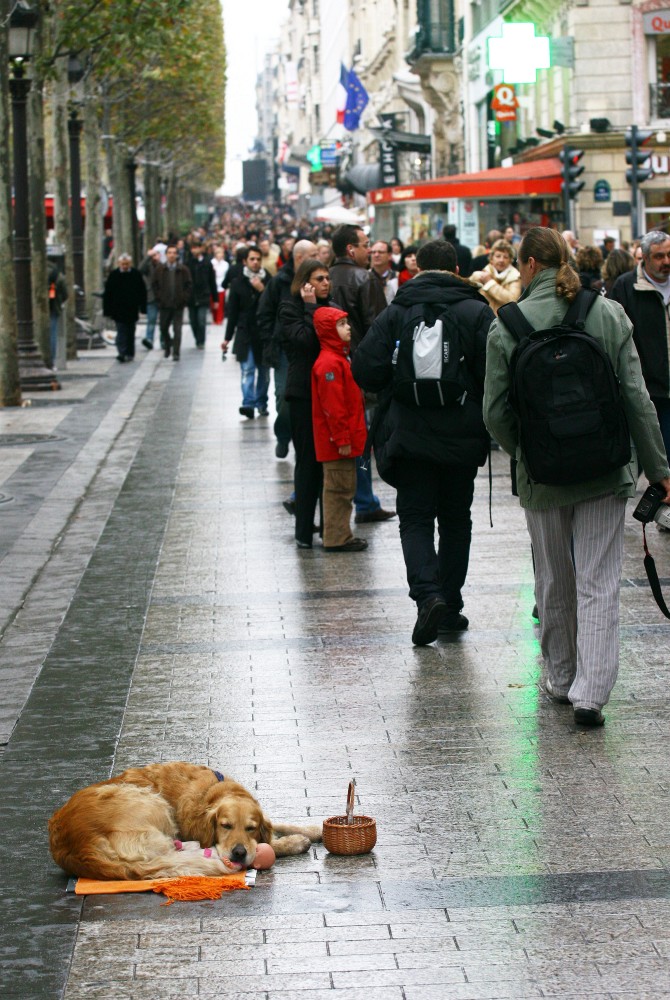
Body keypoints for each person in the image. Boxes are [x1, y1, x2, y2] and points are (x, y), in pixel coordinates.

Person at [484, 227, 670, 727]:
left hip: (542, 478)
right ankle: (592, 694)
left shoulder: (507, 325)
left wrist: (527, 452)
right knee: (598, 580)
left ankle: (562, 677)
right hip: (604, 470)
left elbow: (494, 412)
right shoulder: (606, 313)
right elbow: (637, 398)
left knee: (553, 578)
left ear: (528, 265)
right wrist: (658, 469)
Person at [352, 239, 493, 645]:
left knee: (415, 519)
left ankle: (428, 597)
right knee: (455, 519)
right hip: (461, 434)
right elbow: (495, 372)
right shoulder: (475, 310)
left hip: (409, 435)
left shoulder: (398, 309)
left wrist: (395, 386)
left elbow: (365, 367)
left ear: (417, 268)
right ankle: (451, 603)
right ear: (457, 269)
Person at [329, 224, 395, 525]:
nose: (369, 250)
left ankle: (358, 499)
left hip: (332, 367)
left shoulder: (324, 276)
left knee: (339, 434)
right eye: (365, 244)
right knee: (361, 435)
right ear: (350, 248)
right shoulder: (364, 278)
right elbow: (377, 327)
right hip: (358, 367)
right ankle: (366, 501)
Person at [279, 258, 338, 547]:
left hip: (330, 391)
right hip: (303, 392)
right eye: (319, 279)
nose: (325, 283)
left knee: (329, 461)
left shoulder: (333, 306)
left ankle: (331, 529)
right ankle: (303, 531)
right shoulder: (290, 308)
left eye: (327, 278)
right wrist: (311, 308)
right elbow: (304, 341)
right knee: (307, 461)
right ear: (305, 284)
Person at [610, 230, 670, 463]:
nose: (666, 261)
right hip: (645, 389)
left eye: (669, 255)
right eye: (659, 256)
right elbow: (616, 337)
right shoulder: (626, 286)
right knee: (641, 460)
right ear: (644, 257)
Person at [312, 307, 368, 553]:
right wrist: (342, 438)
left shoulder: (338, 358)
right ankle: (337, 537)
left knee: (344, 487)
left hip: (342, 439)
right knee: (339, 490)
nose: (348, 328)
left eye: (347, 322)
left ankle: (340, 534)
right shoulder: (330, 364)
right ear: (328, 330)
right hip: (336, 442)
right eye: (341, 324)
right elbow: (333, 408)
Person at [257, 240, 319, 457]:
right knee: (284, 395)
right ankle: (283, 435)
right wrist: (271, 340)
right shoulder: (279, 282)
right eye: (313, 254)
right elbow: (264, 313)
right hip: (284, 350)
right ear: (300, 258)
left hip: (310, 347)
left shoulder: (317, 279)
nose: (318, 258)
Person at [223, 246, 269, 419]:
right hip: (245, 333)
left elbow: (273, 305)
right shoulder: (238, 282)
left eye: (258, 259)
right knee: (248, 369)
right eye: (252, 259)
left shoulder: (269, 280)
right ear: (245, 261)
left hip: (263, 334)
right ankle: (248, 403)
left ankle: (261, 402)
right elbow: (232, 312)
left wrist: (262, 290)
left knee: (264, 372)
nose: (255, 262)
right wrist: (227, 338)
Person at [103, 253, 147, 363]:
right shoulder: (114, 275)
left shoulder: (136, 274)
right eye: (123, 264)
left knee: (130, 332)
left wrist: (142, 307)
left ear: (130, 264)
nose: (125, 266)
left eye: (127, 264)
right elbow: (108, 293)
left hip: (132, 308)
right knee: (121, 331)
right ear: (119, 264)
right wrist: (107, 310)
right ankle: (122, 352)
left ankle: (130, 352)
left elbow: (142, 291)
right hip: (118, 309)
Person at [152, 244, 192, 361]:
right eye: (169, 253)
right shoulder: (160, 269)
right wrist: (159, 297)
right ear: (166, 254)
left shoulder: (183, 269)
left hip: (178, 304)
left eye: (174, 253)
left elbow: (189, 285)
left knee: (177, 329)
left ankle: (176, 352)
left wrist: (184, 298)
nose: (172, 255)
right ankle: (168, 344)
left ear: (177, 255)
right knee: (163, 328)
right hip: (164, 304)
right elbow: (154, 284)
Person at [470, 238, 522, 315]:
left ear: (510, 260)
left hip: (504, 320)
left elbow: (512, 300)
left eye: (505, 257)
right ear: (491, 258)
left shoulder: (515, 277)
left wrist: (490, 283)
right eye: (498, 256)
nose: (501, 260)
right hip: (483, 318)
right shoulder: (482, 274)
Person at [187, 242, 217, 349]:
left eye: (196, 247)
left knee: (201, 320)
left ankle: (201, 341)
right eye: (193, 248)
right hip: (191, 297)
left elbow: (212, 281)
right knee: (193, 321)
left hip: (203, 296)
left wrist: (215, 299)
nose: (194, 250)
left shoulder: (207, 263)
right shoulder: (188, 263)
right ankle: (197, 338)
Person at [138, 246, 161, 349]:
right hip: (151, 297)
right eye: (153, 255)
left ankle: (164, 340)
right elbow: (140, 269)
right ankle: (149, 339)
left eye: (156, 254)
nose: (155, 257)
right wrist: (148, 257)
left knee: (164, 322)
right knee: (151, 320)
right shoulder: (148, 267)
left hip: (162, 298)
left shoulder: (163, 266)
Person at [47, 262, 68, 367]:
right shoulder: (58, 275)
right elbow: (65, 294)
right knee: (52, 334)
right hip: (53, 308)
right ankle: (51, 359)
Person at [210, 245, 229, 324]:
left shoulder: (225, 264)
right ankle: (214, 319)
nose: (220, 255)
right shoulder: (211, 262)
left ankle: (219, 319)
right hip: (213, 285)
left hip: (221, 286)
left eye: (221, 253)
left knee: (220, 304)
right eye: (218, 253)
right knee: (213, 303)